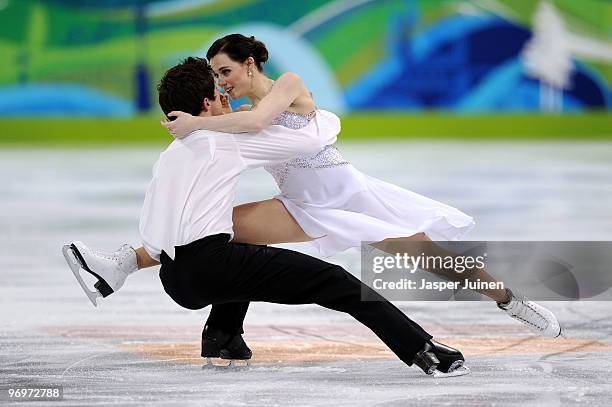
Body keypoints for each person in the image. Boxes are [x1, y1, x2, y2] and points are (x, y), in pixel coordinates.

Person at [63, 56, 468, 377]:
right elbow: (306, 139)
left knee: (244, 244)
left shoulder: (171, 155)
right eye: (219, 95)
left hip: (174, 276)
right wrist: (320, 119)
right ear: (206, 106)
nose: (228, 98)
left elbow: (156, 230)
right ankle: (425, 351)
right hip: (212, 267)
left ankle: (223, 336)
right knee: (340, 283)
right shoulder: (227, 140)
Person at [160, 34, 561, 338]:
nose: (221, 82)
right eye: (216, 76)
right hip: (300, 206)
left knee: (430, 255)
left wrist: (197, 122)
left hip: (350, 195)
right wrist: (203, 121)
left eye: (224, 72)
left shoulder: (288, 84)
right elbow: (234, 132)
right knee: (214, 230)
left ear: (249, 65)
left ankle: (510, 300)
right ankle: (213, 327)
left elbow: (259, 122)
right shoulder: (239, 114)